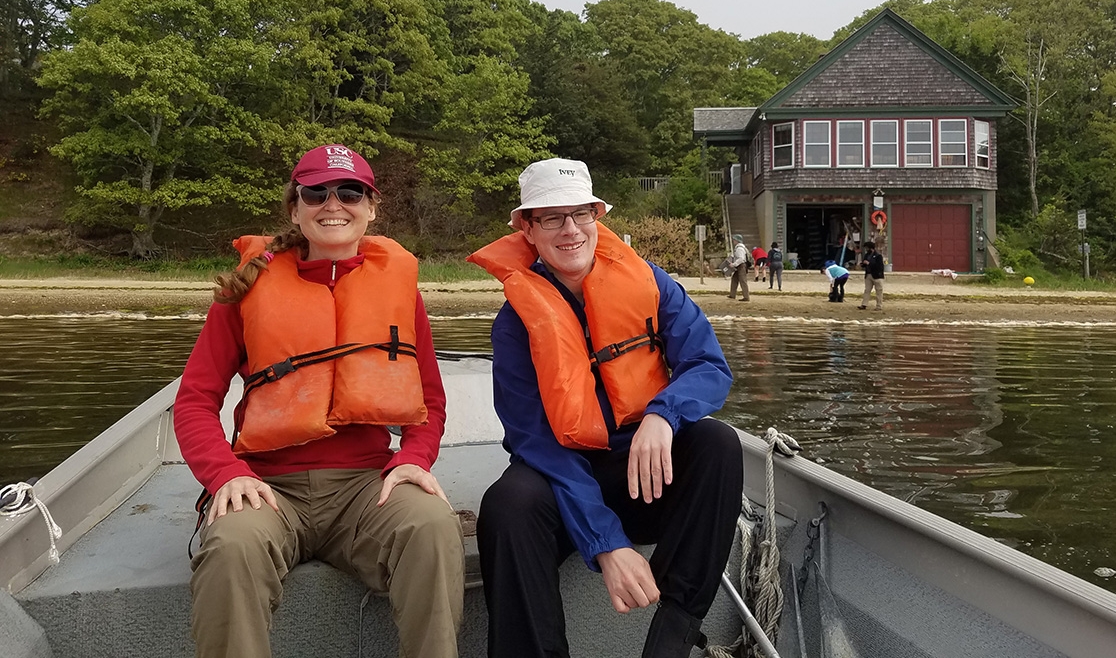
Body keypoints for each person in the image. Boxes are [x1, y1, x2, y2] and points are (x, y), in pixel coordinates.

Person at [173, 145, 464, 658]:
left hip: (362, 489)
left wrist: (414, 458)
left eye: (350, 192)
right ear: (295, 209)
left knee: (433, 525)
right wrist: (226, 474)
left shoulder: (400, 294)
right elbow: (195, 400)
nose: (334, 204)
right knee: (232, 546)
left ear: (372, 207)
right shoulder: (247, 290)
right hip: (266, 487)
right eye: (316, 193)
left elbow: (430, 402)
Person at [468, 158, 743, 658]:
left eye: (581, 214)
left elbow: (708, 365)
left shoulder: (654, 285)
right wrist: (606, 543)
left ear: (598, 217)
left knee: (717, 444)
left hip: (645, 474)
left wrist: (663, 414)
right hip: (564, 480)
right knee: (508, 506)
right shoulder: (514, 325)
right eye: (551, 217)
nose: (570, 229)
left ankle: (672, 638)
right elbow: (534, 441)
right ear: (526, 228)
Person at [859, 241, 886, 310]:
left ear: (871, 248)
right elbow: (865, 263)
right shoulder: (866, 255)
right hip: (868, 275)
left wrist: (869, 263)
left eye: (867, 248)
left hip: (877, 276)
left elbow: (879, 267)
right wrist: (863, 264)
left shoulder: (878, 256)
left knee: (879, 291)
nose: (866, 250)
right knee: (867, 290)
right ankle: (864, 304)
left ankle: (879, 306)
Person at [727, 233, 751, 301]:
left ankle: (746, 297)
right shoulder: (740, 248)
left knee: (743, 281)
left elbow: (741, 259)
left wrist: (734, 264)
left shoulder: (739, 249)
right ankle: (732, 294)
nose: (733, 241)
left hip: (741, 266)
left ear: (737, 240)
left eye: (734, 239)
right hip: (739, 266)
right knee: (734, 279)